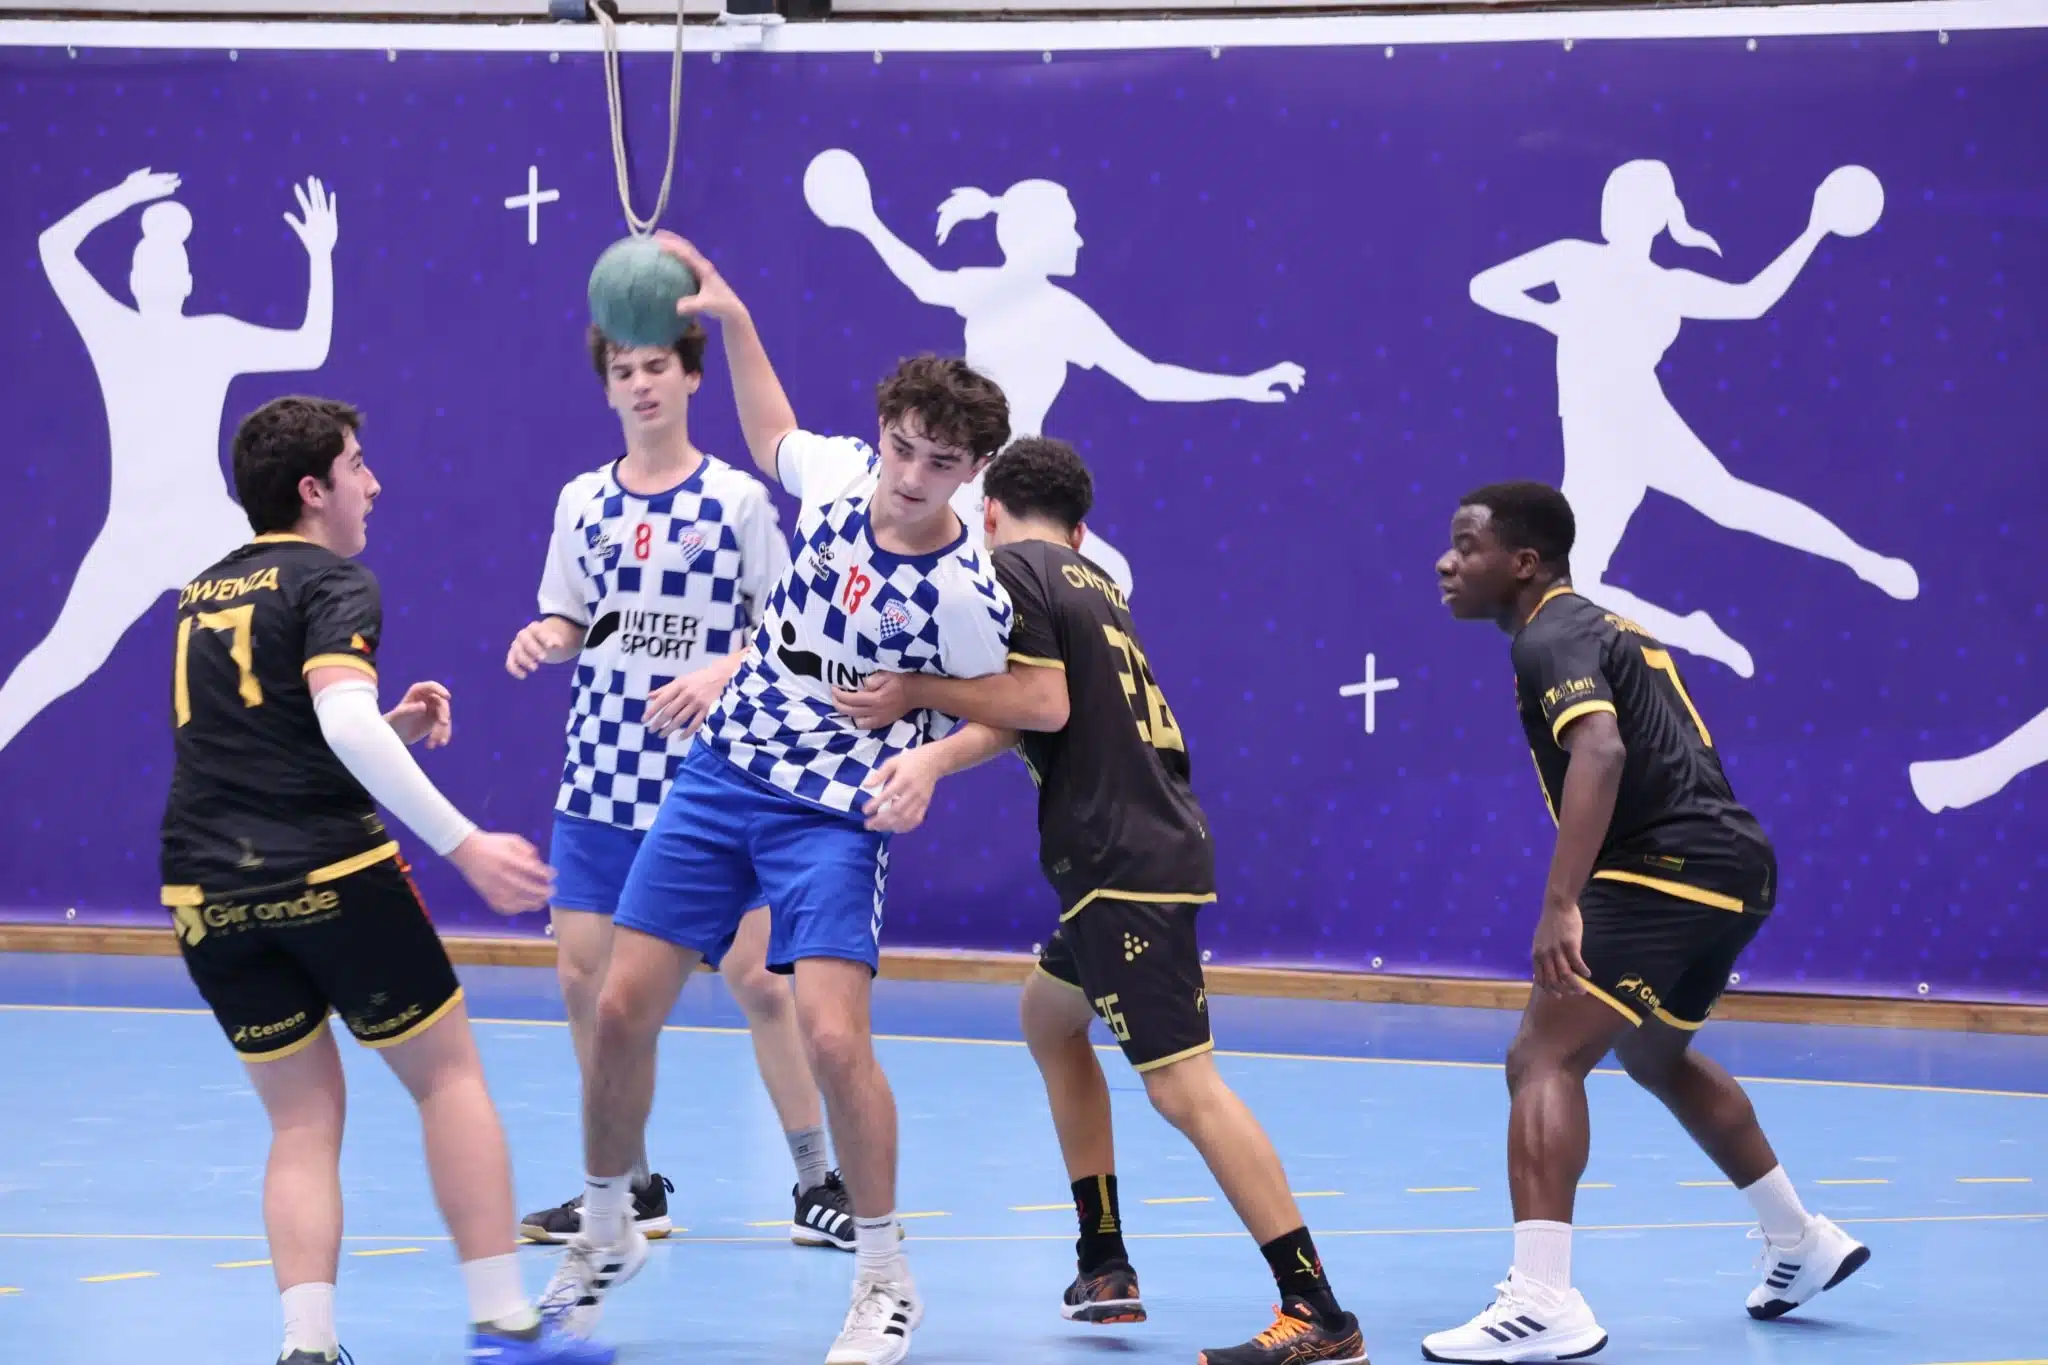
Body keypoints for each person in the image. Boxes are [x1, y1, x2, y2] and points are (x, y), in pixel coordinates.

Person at [540, 235, 1015, 1365]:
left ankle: (885, 1278)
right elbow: (770, 431)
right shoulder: (839, 478)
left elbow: (1013, 712)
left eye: (940, 462)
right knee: (617, 1007)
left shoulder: (964, 591)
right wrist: (738, 317)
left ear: (971, 471)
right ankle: (608, 1224)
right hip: (721, 776)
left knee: (833, 1038)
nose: (911, 475)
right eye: (903, 447)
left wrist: (927, 761)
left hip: (832, 811)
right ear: (883, 433)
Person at [829, 437, 1368, 1365]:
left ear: (988, 512)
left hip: (1123, 858)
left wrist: (912, 700)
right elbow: (1036, 702)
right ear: (1080, 528)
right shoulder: (1094, 583)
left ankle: (1317, 1309)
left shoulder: (1012, 571)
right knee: (1048, 1018)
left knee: (1184, 1086)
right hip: (1135, 846)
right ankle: (1103, 1259)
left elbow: (1037, 706)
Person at [158, 396, 613, 1365]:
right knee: (447, 1078)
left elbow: (265, 737)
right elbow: (341, 720)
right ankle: (504, 1323)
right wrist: (464, 843)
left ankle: (307, 1347)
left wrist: (388, 727)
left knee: (300, 1120)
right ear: (312, 489)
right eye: (357, 465)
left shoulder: (203, 591)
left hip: (204, 888)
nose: (374, 483)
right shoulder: (335, 580)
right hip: (327, 870)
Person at [1423, 481, 1870, 1361]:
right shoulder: (1603, 626)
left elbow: (1601, 748)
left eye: (1467, 546)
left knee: (1542, 1056)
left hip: (1661, 869)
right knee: (1653, 1053)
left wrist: (1561, 903)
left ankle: (1543, 1300)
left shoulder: (1549, 633)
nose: (1446, 562)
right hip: (1734, 868)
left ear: (1524, 562)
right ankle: (1799, 1238)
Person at [506, 320, 858, 1252]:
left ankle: (817, 1179)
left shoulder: (738, 500)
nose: (642, 384)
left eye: (657, 366)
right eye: (624, 371)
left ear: (693, 377)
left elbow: (791, 633)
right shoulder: (581, 501)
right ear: (607, 389)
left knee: (761, 981)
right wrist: (548, 635)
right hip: (601, 776)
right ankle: (629, 1185)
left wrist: (718, 674)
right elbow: (573, 614)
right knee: (586, 983)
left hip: (718, 781)